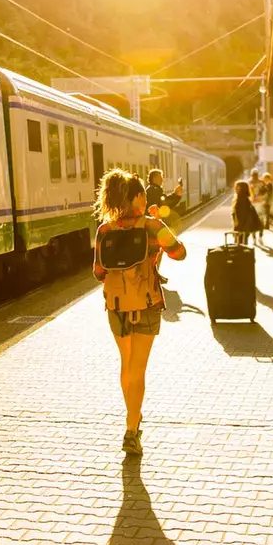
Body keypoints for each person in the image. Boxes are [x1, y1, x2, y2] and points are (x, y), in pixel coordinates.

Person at [93, 169, 186, 456]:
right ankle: (131, 429)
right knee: (138, 368)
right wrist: (159, 229)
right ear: (136, 197)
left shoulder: (104, 230)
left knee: (126, 364)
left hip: (117, 306)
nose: (145, 199)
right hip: (145, 303)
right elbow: (179, 253)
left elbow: (98, 272)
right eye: (143, 195)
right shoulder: (151, 225)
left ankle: (132, 419)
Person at [231, 180, 261, 246]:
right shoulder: (244, 198)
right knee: (242, 246)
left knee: (239, 247)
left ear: (242, 189)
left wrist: (239, 229)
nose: (235, 189)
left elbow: (242, 215)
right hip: (243, 228)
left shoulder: (241, 199)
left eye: (237, 187)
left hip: (241, 228)